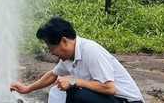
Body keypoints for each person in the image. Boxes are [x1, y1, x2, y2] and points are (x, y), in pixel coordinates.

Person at [10, 17, 144, 103]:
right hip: (111, 100)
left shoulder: (91, 51)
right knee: (73, 91)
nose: (51, 53)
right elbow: (53, 74)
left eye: (51, 48)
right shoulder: (69, 57)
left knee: (80, 94)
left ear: (64, 41)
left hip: (126, 101)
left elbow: (110, 88)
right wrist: (27, 89)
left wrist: (73, 81)